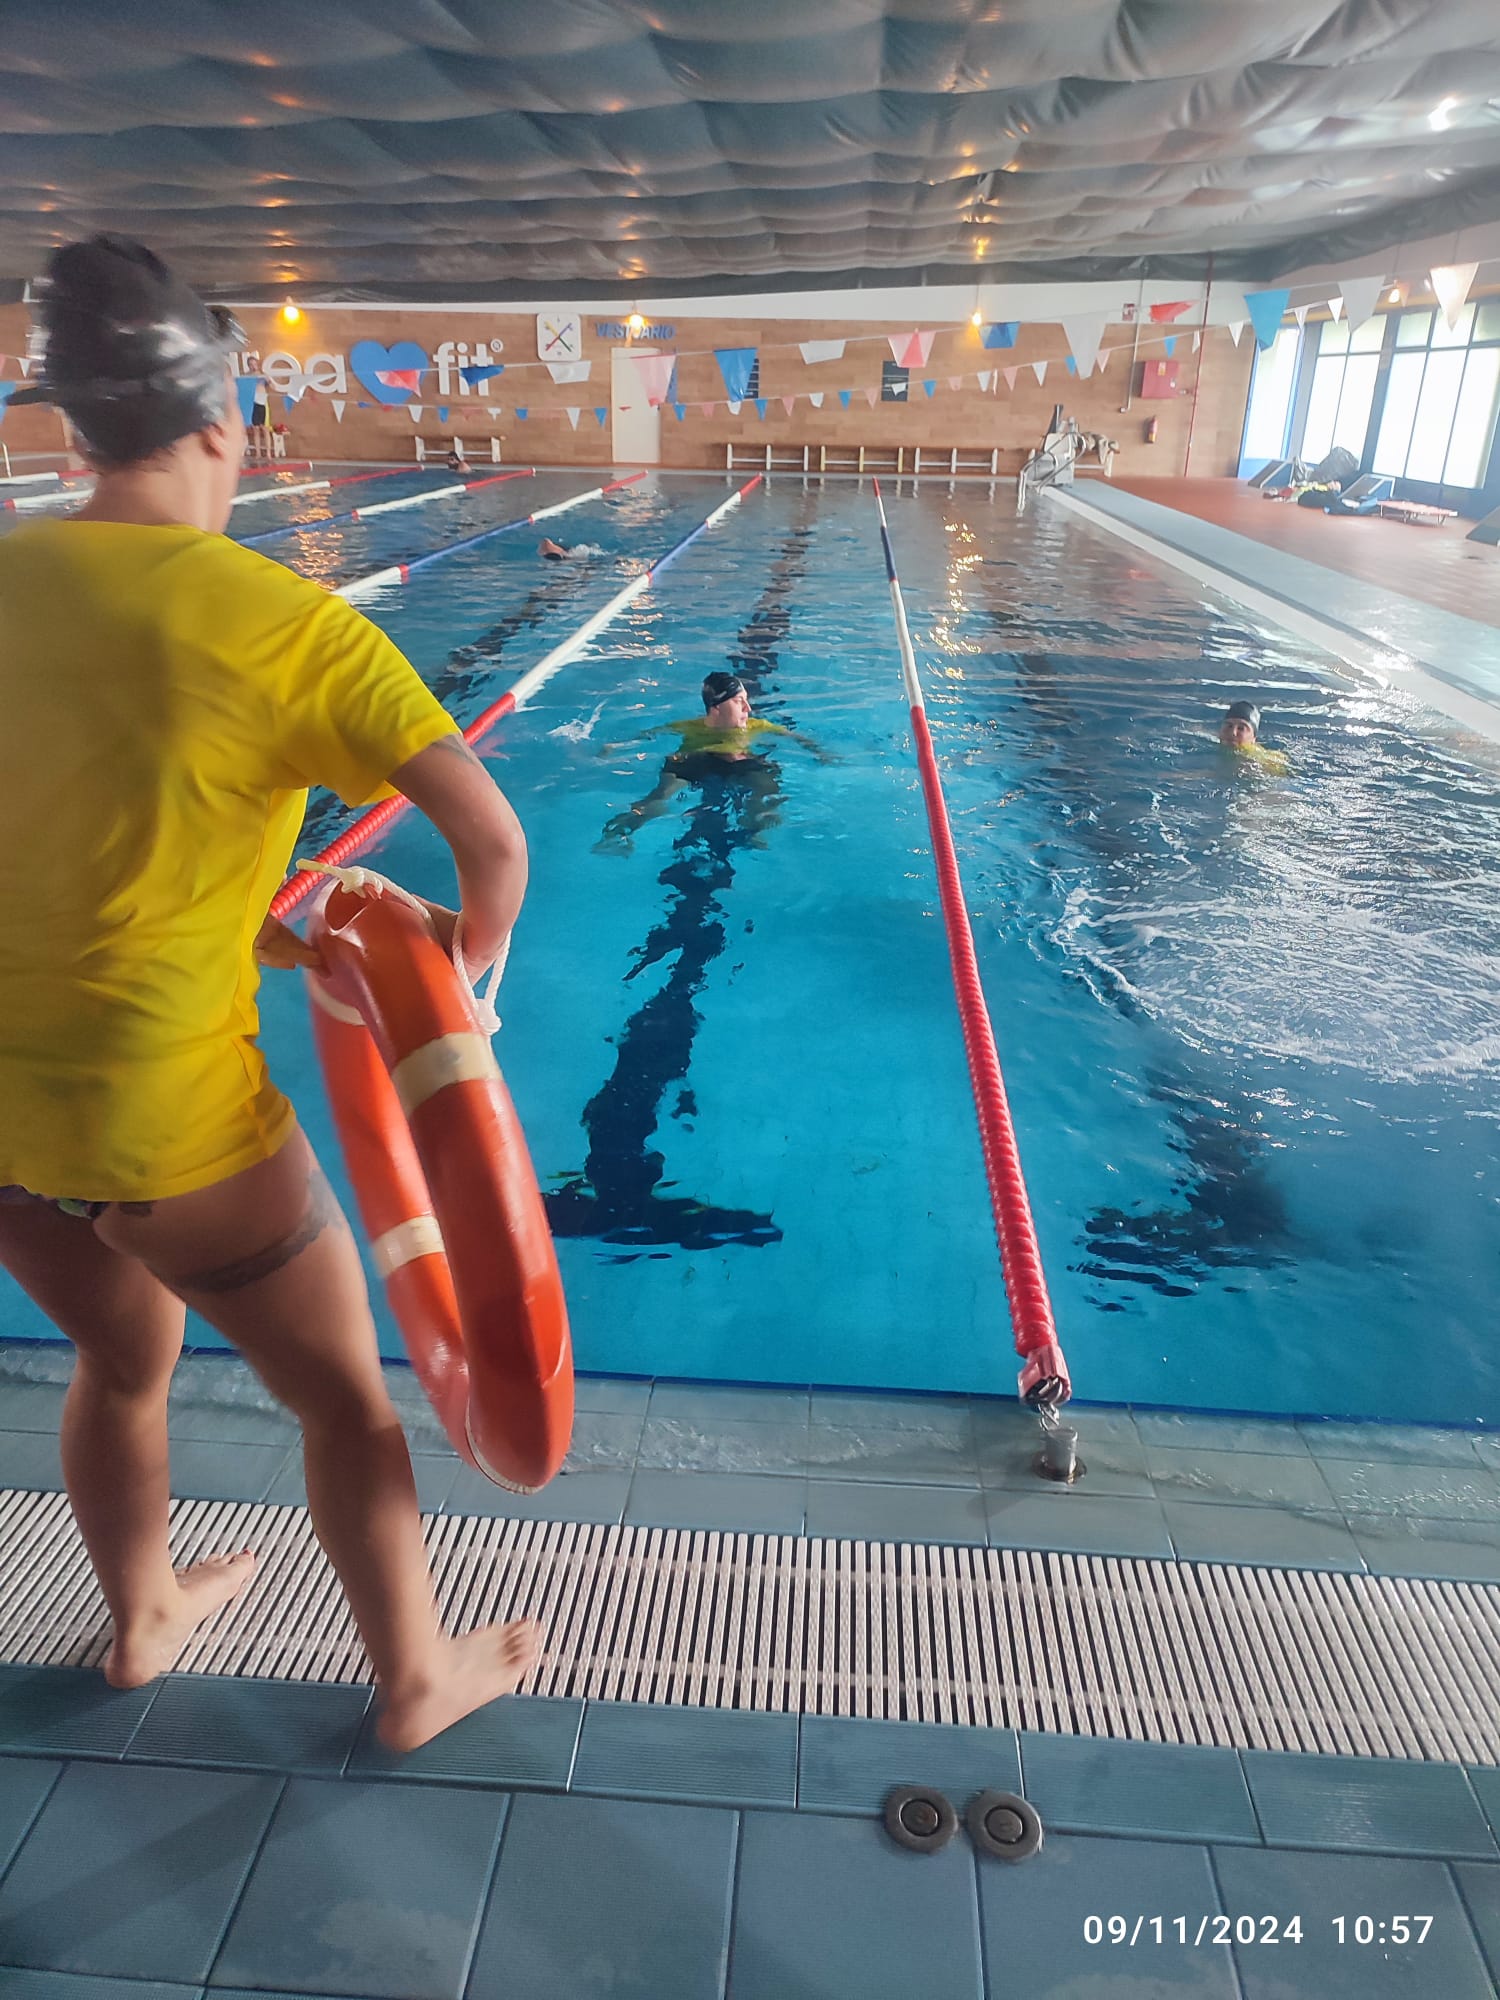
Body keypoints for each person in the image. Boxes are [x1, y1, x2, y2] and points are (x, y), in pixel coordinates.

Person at [0, 235, 539, 1750]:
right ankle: (416, 1681)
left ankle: (140, 1616)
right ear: (228, 421)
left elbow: (65, 850)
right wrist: (458, 998)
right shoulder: (287, 623)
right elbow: (491, 845)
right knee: (349, 1406)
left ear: (75, 423)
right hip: (163, 1113)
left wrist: (274, 935)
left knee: (124, 1356)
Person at [597, 670, 830, 849]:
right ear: (716, 707)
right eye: (739, 701)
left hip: (737, 762)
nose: (748, 708)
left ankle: (755, 826)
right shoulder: (689, 726)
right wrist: (615, 748)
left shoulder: (757, 725)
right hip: (695, 760)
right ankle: (620, 833)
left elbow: (797, 738)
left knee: (767, 783)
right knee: (659, 796)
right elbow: (650, 735)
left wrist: (821, 753)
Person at [1218, 700, 1289, 774]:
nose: (1233, 733)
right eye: (1229, 726)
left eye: (1241, 728)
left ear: (1253, 738)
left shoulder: (1265, 761)